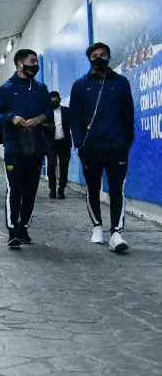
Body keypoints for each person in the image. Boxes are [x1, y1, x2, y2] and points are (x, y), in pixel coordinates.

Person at [69, 42, 134, 252]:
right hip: (90, 148)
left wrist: (127, 141)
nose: (99, 58)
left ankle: (116, 232)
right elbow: (74, 117)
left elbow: (128, 113)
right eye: (94, 55)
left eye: (103, 54)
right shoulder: (80, 85)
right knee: (93, 189)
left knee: (117, 190)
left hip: (116, 146)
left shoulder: (121, 83)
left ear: (109, 56)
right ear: (89, 59)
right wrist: (80, 143)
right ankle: (97, 226)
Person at [0, 49, 52, 248]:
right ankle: (12, 230)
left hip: (35, 147)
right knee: (15, 189)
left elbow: (49, 112)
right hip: (14, 148)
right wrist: (11, 118)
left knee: (31, 189)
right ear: (20, 64)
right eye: (32, 61)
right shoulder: (6, 89)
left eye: (36, 61)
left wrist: (39, 119)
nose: (35, 65)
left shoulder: (41, 88)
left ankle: (24, 227)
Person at [45, 91, 72, 199]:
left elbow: (73, 124)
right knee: (51, 166)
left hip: (64, 143)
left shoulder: (67, 111)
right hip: (51, 144)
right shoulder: (45, 113)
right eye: (52, 101)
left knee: (64, 167)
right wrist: (46, 126)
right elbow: (39, 125)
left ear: (59, 100)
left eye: (55, 101)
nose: (54, 103)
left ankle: (61, 190)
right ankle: (52, 189)